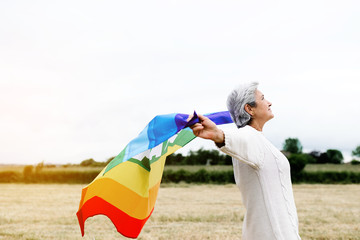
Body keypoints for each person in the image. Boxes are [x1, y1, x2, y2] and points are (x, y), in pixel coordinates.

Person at [190, 82, 301, 240]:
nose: (269, 102)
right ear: (249, 109)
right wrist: (217, 134)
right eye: (263, 98)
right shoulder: (249, 136)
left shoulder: (258, 139)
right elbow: (237, 138)